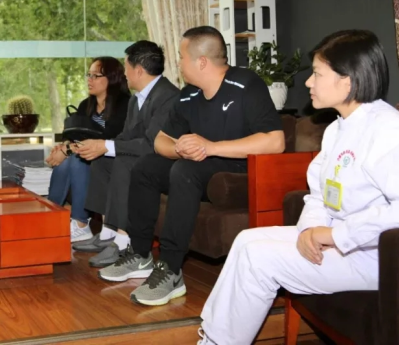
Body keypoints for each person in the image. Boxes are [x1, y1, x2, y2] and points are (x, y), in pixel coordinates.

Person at [197, 30, 399, 345]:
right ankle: (213, 338)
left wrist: (334, 235)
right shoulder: (336, 130)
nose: (308, 83)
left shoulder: (390, 130)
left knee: (258, 258)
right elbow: (319, 194)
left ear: (347, 81)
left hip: (376, 257)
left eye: (317, 74)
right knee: (247, 239)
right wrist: (311, 231)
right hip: (339, 242)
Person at [98, 26, 285, 306]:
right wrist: (179, 149)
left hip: (238, 171)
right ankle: (140, 253)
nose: (178, 63)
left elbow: (275, 141)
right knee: (146, 167)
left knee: (184, 170)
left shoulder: (245, 84)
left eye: (182, 57)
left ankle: (171, 269)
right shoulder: (188, 95)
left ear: (202, 62)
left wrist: (210, 147)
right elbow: (160, 140)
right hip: (201, 166)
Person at [72, 40, 179, 268]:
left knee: (122, 161)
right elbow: (126, 136)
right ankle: (108, 233)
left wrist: (108, 146)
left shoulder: (168, 96)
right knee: (102, 160)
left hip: (163, 160)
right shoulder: (136, 99)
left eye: (126, 67)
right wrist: (100, 145)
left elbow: (152, 144)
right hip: (144, 154)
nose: (124, 74)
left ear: (138, 70)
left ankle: (123, 241)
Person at [46, 57, 131, 242]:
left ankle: (81, 224)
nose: (89, 80)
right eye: (88, 75)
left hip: (111, 157)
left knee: (77, 160)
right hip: (86, 154)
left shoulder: (125, 104)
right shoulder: (86, 104)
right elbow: (74, 133)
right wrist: (64, 146)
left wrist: (68, 149)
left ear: (112, 78)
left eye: (96, 75)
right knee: (65, 162)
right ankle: (51, 219)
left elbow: (109, 137)